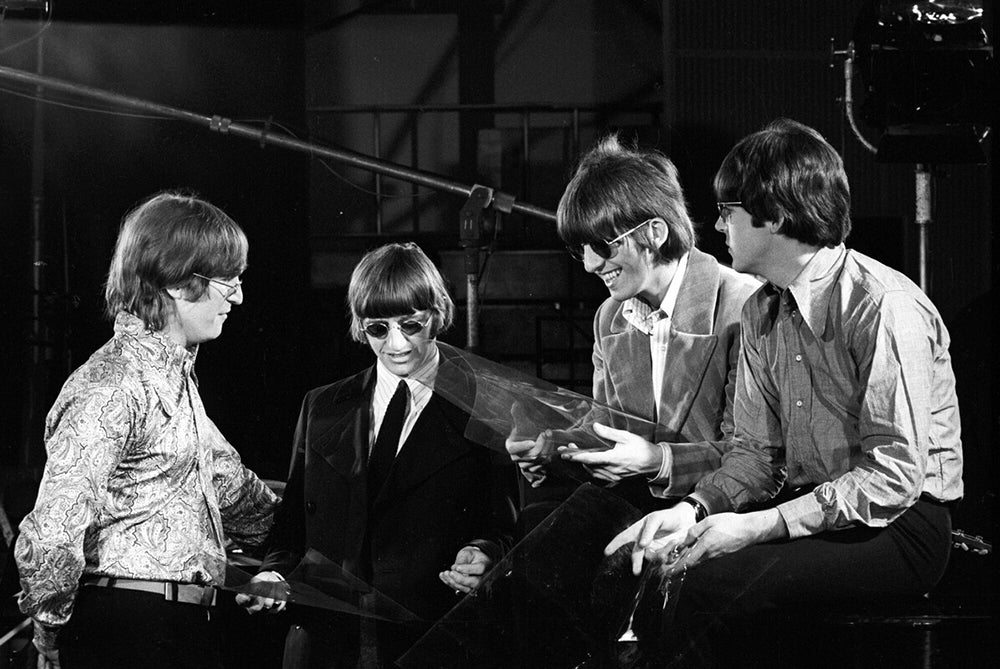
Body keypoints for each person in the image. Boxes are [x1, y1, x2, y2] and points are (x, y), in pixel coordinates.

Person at [606, 119, 964, 663]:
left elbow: (894, 477)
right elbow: (754, 455)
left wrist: (755, 527)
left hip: (900, 525)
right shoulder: (760, 312)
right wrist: (695, 509)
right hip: (818, 509)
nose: (719, 228)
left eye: (728, 213)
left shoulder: (883, 307)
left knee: (707, 590)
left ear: (772, 216)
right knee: (670, 570)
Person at [14, 191, 280, 669]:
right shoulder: (110, 384)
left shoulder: (174, 382)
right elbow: (54, 530)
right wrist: (49, 628)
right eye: (228, 280)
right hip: (130, 632)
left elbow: (242, 497)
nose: (238, 296)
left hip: (183, 628)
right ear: (179, 282)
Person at [253, 242, 517, 668]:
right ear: (360, 326)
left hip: (430, 642)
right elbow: (291, 527)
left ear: (437, 315)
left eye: (410, 324)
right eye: (379, 328)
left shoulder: (485, 406)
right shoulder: (321, 407)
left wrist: (483, 552)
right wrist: (273, 573)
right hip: (330, 644)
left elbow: (505, 525)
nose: (397, 343)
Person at [507, 135, 760, 511]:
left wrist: (658, 461)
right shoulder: (609, 317)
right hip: (639, 509)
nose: (591, 265)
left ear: (655, 233)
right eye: (581, 250)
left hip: (720, 516)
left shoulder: (744, 308)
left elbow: (754, 458)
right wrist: (558, 446)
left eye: (602, 247)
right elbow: (606, 425)